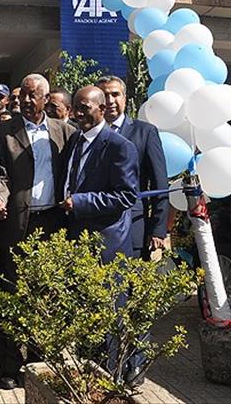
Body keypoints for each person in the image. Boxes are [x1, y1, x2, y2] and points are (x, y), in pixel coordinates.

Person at [0, 74, 75, 389]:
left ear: (46, 98)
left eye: (33, 95)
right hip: (16, 223)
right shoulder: (2, 131)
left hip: (52, 222)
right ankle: (10, 366)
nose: (26, 101)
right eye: (22, 95)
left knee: (47, 294)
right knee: (13, 293)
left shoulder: (65, 132)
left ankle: (40, 363)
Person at [97, 75, 169, 384]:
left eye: (115, 94)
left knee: (134, 297)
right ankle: (109, 359)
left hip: (136, 229)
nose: (110, 100)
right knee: (107, 297)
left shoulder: (144, 132)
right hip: (100, 230)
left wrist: (158, 230)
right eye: (105, 95)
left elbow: (160, 185)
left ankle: (136, 362)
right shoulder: (91, 133)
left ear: (125, 98)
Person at [59, 86, 139, 264]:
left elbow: (126, 196)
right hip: (74, 238)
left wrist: (79, 202)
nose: (78, 114)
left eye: (84, 108)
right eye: (75, 108)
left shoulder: (120, 146)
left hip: (104, 243)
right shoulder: (75, 139)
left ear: (102, 109)